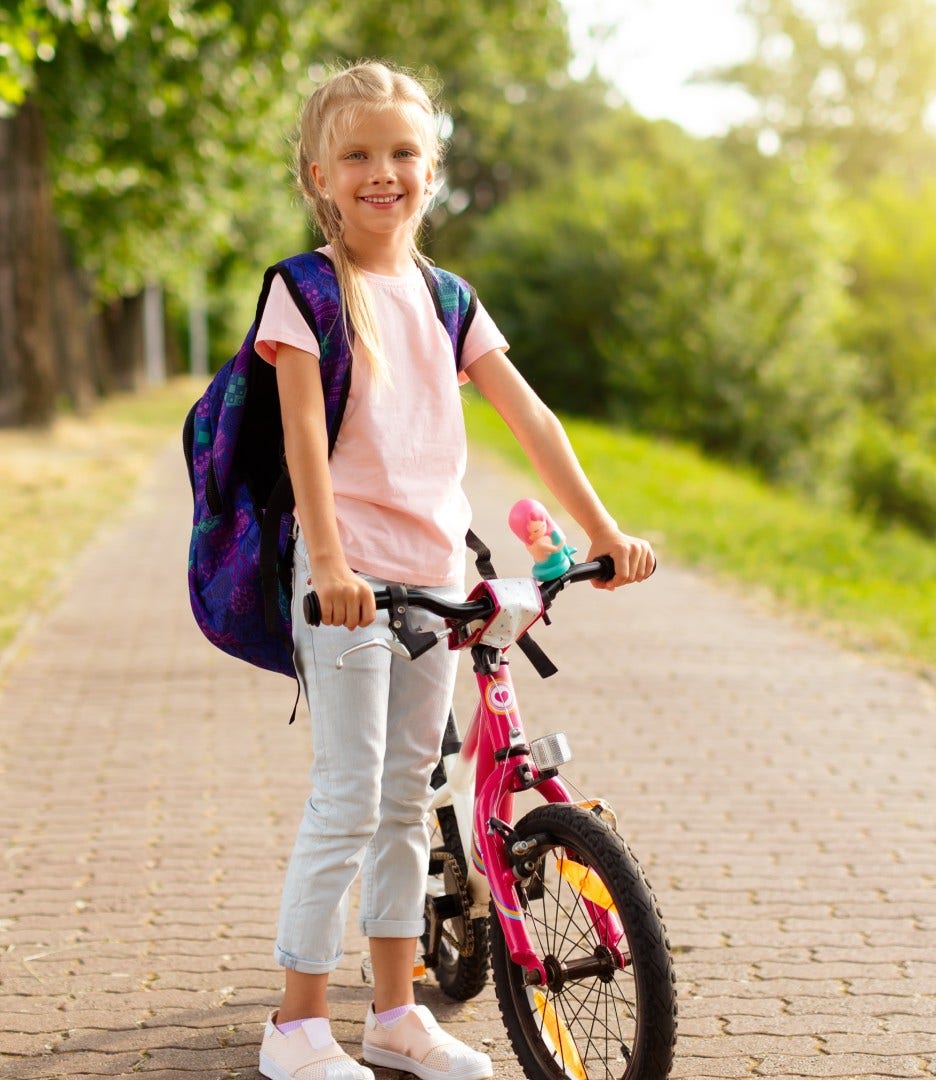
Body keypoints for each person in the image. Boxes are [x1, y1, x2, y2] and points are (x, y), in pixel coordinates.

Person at [253, 60, 656, 1080]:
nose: (382, 172)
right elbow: (304, 440)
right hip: (347, 578)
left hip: (436, 574)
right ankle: (297, 1027)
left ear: (431, 170)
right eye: (357, 155)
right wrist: (333, 563)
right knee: (347, 797)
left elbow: (532, 417)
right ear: (318, 176)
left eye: (402, 154)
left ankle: (395, 1015)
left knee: (405, 796)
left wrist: (603, 531)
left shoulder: (447, 298)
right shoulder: (302, 293)